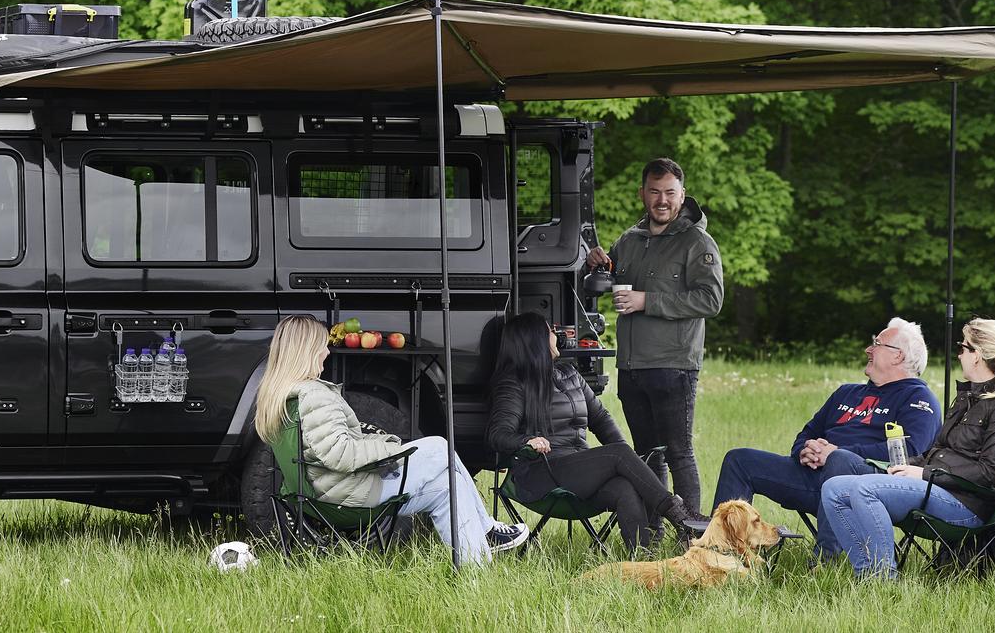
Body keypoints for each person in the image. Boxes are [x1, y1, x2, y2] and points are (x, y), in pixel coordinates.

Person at [253, 315, 529, 564]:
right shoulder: (313, 395)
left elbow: (324, 448)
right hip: (349, 496)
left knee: (448, 486)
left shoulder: (279, 396)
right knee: (439, 447)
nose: (327, 351)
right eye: (321, 346)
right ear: (306, 351)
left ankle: (475, 569)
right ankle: (488, 529)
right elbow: (338, 454)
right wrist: (387, 448)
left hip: (325, 494)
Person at [708, 318, 941, 551]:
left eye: (877, 343)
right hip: (812, 477)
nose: (868, 349)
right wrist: (805, 450)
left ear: (898, 356)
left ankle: (825, 562)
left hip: (868, 485)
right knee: (739, 460)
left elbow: (911, 451)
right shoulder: (847, 393)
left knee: (841, 461)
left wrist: (836, 453)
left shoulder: (918, 399)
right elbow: (808, 432)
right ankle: (718, 550)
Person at [820, 318, 995, 579]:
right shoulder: (967, 397)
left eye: (963, 348)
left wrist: (925, 475)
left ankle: (882, 579)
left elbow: (989, 473)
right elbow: (938, 450)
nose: (958, 353)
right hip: (937, 487)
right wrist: (907, 466)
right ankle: (868, 572)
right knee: (834, 489)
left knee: (864, 489)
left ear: (978, 356)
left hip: (968, 504)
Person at [487, 312, 709, 553]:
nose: (556, 335)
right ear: (535, 339)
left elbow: (601, 420)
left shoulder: (570, 375)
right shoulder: (514, 383)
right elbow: (498, 434)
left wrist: (633, 465)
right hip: (541, 473)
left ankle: (643, 560)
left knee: (624, 487)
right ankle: (680, 516)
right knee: (619, 454)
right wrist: (527, 440)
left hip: (578, 472)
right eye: (550, 331)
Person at [586, 157, 722, 512]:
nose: (662, 200)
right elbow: (612, 279)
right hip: (631, 366)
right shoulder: (630, 239)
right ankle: (652, 532)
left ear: (682, 195)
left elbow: (711, 299)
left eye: (670, 193)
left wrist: (648, 300)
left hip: (674, 365)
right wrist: (599, 264)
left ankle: (691, 537)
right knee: (647, 457)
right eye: (655, 192)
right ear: (642, 193)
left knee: (679, 453)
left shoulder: (697, 242)